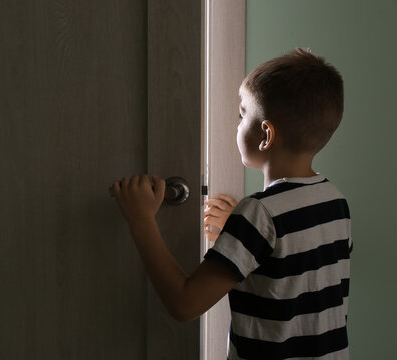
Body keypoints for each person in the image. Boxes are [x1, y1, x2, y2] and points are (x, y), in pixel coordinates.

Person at [112, 48, 351, 359]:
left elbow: (185, 304)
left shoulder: (258, 215)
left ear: (266, 135)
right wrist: (240, 237)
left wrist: (141, 220)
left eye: (242, 114)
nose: (237, 125)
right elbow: (289, 268)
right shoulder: (335, 203)